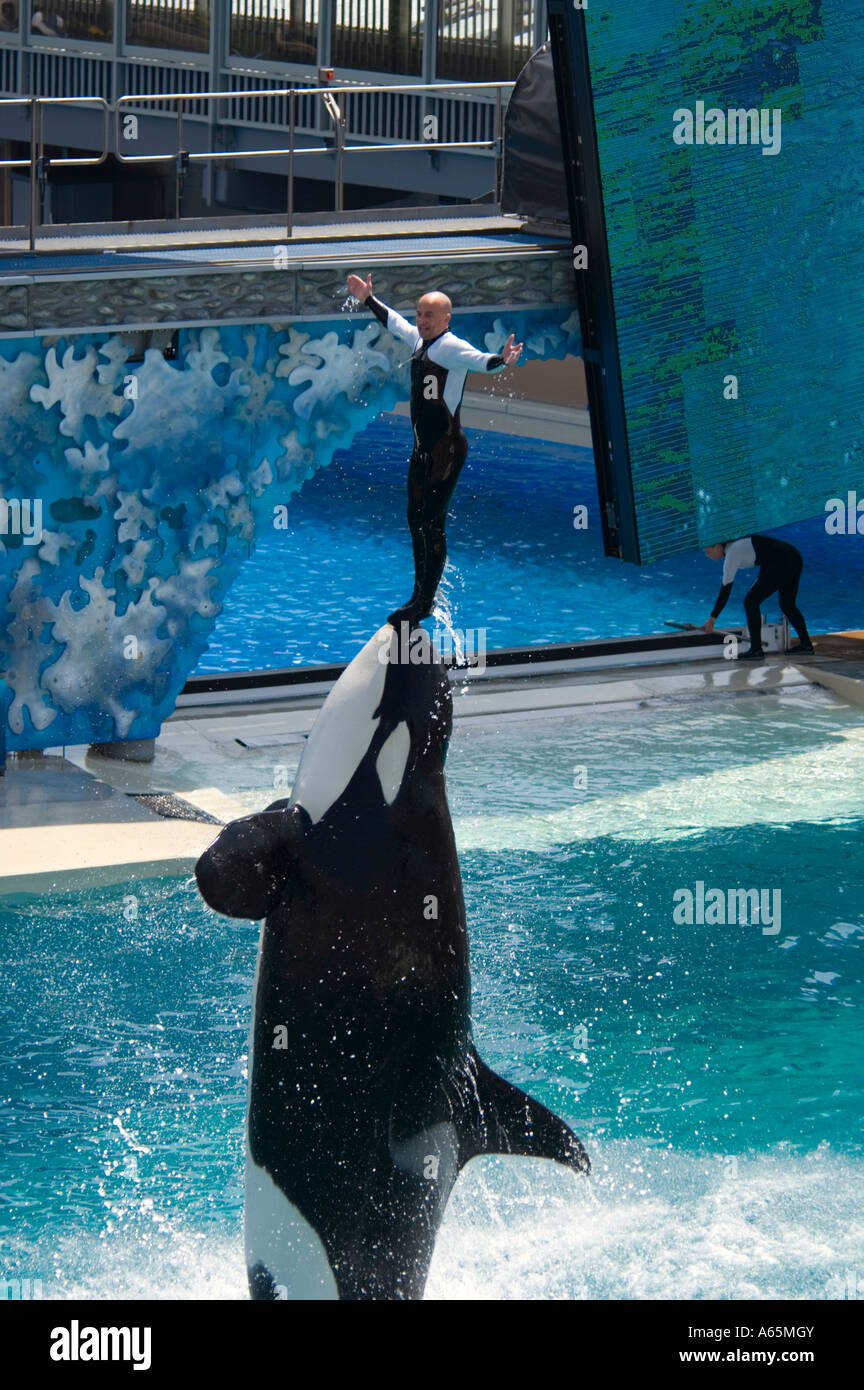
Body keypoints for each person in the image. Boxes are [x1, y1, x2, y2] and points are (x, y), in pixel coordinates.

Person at [347, 272, 523, 627]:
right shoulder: (418, 340)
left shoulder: (451, 347)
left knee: (431, 523)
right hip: (422, 449)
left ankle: (425, 601)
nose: (422, 321)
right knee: (415, 518)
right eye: (420, 314)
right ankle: (419, 594)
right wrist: (368, 299)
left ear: (446, 319)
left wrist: (502, 360)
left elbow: (480, 360)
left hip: (447, 450)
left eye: (430, 315)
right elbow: (394, 322)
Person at [703, 534, 814, 660]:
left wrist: (712, 619)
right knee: (787, 605)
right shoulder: (736, 546)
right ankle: (806, 645)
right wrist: (759, 580)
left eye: (708, 551)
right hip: (793, 557)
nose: (708, 555)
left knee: (750, 602)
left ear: (717, 546)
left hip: (783, 561)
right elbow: (767, 555)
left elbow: (725, 591)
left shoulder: (732, 554)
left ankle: (756, 650)